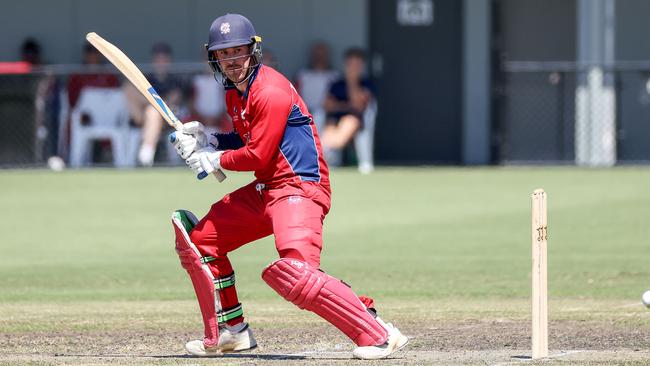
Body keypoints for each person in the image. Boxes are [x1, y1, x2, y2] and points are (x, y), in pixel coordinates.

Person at [168, 13, 408, 359]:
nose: (232, 61)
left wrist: (214, 160)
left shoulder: (270, 89)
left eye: (238, 51)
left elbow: (259, 154)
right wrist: (210, 139)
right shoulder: (236, 94)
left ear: (253, 51)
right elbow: (247, 138)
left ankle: (378, 332)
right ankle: (233, 332)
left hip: (300, 188)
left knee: (297, 272)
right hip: (268, 189)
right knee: (202, 242)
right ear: (214, 58)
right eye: (224, 54)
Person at [124, 42, 186, 166]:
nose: (161, 62)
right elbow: (129, 91)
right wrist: (150, 101)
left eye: (164, 59)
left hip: (167, 119)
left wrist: (152, 103)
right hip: (141, 117)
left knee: (153, 111)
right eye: (158, 59)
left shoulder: (175, 80)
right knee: (129, 89)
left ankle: (146, 154)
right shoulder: (148, 78)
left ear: (169, 61)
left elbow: (172, 100)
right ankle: (146, 152)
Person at [321, 48, 375, 165]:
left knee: (348, 122)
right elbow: (328, 105)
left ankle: (327, 151)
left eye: (357, 65)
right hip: (334, 120)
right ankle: (328, 158)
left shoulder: (366, 83)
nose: (353, 68)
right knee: (328, 130)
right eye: (351, 64)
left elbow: (358, 106)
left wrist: (352, 82)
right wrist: (347, 106)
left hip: (355, 120)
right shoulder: (337, 84)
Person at [295, 42, 339, 133]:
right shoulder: (303, 75)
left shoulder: (335, 76)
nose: (319, 58)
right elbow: (294, 96)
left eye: (322, 55)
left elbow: (337, 99)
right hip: (304, 112)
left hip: (328, 115)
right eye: (317, 55)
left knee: (319, 115)